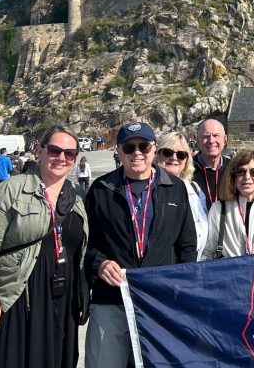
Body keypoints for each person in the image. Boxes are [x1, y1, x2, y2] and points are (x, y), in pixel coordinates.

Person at [0, 125, 89, 368]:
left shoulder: (77, 197)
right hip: (17, 296)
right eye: (55, 150)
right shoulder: (11, 190)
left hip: (61, 300)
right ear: (40, 151)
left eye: (69, 154)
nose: (62, 158)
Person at [84, 121, 197, 368]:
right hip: (111, 299)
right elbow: (85, 245)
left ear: (154, 149)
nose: (137, 153)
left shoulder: (175, 187)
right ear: (119, 151)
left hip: (158, 302)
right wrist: (99, 264)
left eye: (143, 147)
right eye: (129, 147)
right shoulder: (101, 189)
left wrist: (182, 294)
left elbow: (186, 247)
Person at [156, 131, 209, 260]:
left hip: (194, 266)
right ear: (157, 155)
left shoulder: (195, 189)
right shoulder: (148, 189)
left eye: (181, 154)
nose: (174, 158)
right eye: (167, 152)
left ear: (187, 160)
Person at [193, 119, 230, 210]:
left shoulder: (234, 168)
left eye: (216, 135)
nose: (211, 140)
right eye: (206, 136)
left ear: (225, 140)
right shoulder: (187, 168)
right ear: (198, 141)